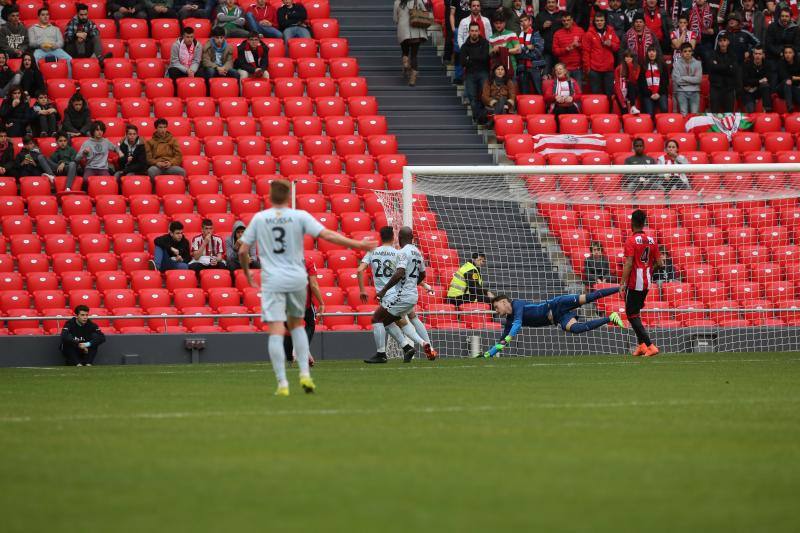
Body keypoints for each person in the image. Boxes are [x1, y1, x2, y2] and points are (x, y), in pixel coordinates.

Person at [238, 179, 378, 396]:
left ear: (269, 197)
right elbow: (328, 235)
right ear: (287, 197)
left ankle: (283, 383)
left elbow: (242, 250)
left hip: (273, 279)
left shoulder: (260, 218)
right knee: (296, 326)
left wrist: (247, 273)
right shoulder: (299, 216)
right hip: (296, 278)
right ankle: (305, 374)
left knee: (276, 329)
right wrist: (358, 245)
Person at [361, 226, 436, 364]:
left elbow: (399, 272)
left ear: (399, 238)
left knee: (377, 318)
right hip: (412, 295)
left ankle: (381, 354)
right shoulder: (417, 252)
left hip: (400, 295)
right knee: (398, 320)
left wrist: (383, 290)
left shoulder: (401, 252)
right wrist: (418, 284)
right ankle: (422, 345)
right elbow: (423, 273)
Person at [483, 290, 624, 358]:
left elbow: (518, 323)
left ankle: (619, 287)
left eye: (496, 307)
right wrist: (488, 354)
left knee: (588, 298)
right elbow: (502, 341)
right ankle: (611, 318)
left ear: (504, 302)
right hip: (558, 317)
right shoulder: (509, 321)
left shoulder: (517, 304)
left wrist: (509, 337)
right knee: (576, 329)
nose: (496, 310)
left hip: (558, 304)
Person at [620, 209, 662, 357]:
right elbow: (660, 263)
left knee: (631, 314)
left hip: (634, 283)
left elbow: (629, 263)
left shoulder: (631, 240)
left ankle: (650, 346)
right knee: (635, 313)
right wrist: (648, 270)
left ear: (632, 222)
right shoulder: (652, 240)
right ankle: (641, 346)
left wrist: (622, 284)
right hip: (646, 282)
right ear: (643, 223)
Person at [284, 257, 323, 367]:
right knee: (310, 325)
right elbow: (313, 284)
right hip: (303, 301)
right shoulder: (308, 261)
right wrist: (321, 302)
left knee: (288, 330)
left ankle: (289, 359)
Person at [582, 11, 619, 101]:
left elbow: (617, 47)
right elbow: (585, 52)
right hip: (595, 70)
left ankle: (609, 114)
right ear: (594, 22)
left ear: (605, 21)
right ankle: (597, 114)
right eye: (597, 20)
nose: (599, 22)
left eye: (601, 20)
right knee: (596, 95)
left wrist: (611, 44)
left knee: (609, 95)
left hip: (608, 69)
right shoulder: (589, 34)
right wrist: (588, 69)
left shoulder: (611, 31)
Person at [394, 0, 431, 87]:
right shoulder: (417, 1)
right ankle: (413, 78)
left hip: (403, 32)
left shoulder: (397, 2)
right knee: (414, 55)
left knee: (405, 51)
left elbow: (395, 19)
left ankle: (405, 63)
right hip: (416, 31)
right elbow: (425, 13)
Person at [461, 22, 491, 123]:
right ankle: (477, 118)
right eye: (472, 31)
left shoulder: (485, 43)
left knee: (484, 97)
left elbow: (485, 58)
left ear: (479, 31)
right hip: (470, 74)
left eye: (476, 31)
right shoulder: (464, 46)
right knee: (472, 99)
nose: (474, 33)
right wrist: (477, 58)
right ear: (469, 32)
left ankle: (482, 119)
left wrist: (471, 58)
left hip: (483, 72)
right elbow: (463, 62)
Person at [28, 8, 72, 76]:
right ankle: (37, 80)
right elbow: (31, 43)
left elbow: (61, 42)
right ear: (38, 17)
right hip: (40, 50)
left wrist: (55, 46)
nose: (45, 16)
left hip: (55, 49)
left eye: (47, 15)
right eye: (43, 15)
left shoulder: (56, 29)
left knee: (69, 59)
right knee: (33, 59)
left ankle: (69, 79)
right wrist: (40, 45)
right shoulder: (32, 29)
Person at [516, 13, 545, 94]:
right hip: (522, 67)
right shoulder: (518, 35)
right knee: (524, 92)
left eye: (525, 20)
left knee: (538, 91)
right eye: (521, 21)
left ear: (530, 22)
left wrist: (523, 51)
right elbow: (517, 53)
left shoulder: (536, 33)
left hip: (534, 66)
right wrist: (528, 48)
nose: (523, 23)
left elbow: (538, 52)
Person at [707, 33, 737, 112]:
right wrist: (727, 66)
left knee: (729, 114)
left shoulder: (733, 55)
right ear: (718, 43)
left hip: (729, 88)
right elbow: (712, 67)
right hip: (715, 87)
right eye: (720, 41)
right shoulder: (712, 54)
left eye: (724, 40)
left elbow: (734, 70)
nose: (723, 43)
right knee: (714, 113)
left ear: (728, 42)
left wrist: (718, 66)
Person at [551, 12, 583, 85]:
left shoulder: (580, 31)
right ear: (561, 21)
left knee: (577, 92)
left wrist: (578, 45)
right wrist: (565, 49)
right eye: (564, 21)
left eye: (568, 20)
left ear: (572, 20)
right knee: (564, 92)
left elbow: (586, 48)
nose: (566, 22)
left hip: (577, 68)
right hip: (564, 69)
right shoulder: (557, 33)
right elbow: (554, 51)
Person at [671, 42, 702, 115]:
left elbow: (698, 80)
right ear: (681, 53)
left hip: (695, 91)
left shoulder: (698, 63)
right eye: (685, 51)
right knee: (684, 114)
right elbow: (677, 81)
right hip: (681, 92)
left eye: (689, 51)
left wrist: (683, 78)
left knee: (694, 115)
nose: (687, 53)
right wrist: (692, 79)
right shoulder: (676, 64)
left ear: (692, 52)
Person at [450, 0, 476, 84]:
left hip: (473, 28)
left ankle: (471, 76)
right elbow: (452, 14)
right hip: (459, 28)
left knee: (473, 53)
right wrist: (454, 28)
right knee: (458, 54)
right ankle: (459, 76)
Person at [639, 45, 669, 117]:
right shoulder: (643, 66)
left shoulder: (662, 65)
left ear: (657, 53)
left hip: (660, 93)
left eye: (653, 51)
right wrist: (650, 94)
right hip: (648, 94)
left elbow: (665, 82)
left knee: (664, 108)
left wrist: (658, 93)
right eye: (649, 51)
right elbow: (641, 83)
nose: (651, 53)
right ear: (647, 53)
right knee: (649, 113)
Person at [534, 0, 562, 74]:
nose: (551, 4)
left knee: (561, 75)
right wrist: (542, 26)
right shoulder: (540, 15)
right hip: (546, 50)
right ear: (546, 4)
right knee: (545, 75)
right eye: (549, 2)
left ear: (556, 3)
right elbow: (533, 30)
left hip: (560, 50)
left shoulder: (562, 14)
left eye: (553, 2)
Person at [742, 45, 772, 113]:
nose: (757, 56)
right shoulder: (747, 65)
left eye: (759, 54)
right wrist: (759, 81)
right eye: (756, 53)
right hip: (748, 92)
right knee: (750, 110)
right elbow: (745, 81)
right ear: (753, 54)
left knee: (765, 85)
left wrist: (754, 83)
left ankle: (767, 110)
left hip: (760, 90)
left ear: (763, 55)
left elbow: (768, 79)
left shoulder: (767, 65)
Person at [688, 0, 716, 65]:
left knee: (708, 65)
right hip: (692, 43)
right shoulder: (689, 11)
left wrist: (713, 30)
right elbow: (685, 26)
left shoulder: (712, 12)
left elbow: (716, 27)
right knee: (690, 66)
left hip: (706, 43)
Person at [614, 49, 641, 114]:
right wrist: (623, 102)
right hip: (620, 91)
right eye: (626, 56)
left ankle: (633, 107)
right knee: (624, 111)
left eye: (630, 57)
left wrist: (630, 66)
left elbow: (634, 80)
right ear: (624, 58)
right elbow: (617, 85)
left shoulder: (637, 67)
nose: (628, 58)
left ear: (633, 58)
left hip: (632, 91)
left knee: (631, 84)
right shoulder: (618, 68)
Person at [778, 43, 800, 112]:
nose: (787, 55)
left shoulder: (798, 62)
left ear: (793, 54)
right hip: (782, 88)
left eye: (790, 52)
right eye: (786, 53)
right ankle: (789, 106)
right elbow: (785, 77)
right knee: (787, 81)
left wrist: (793, 78)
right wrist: (797, 78)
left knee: (795, 90)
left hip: (793, 87)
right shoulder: (781, 63)